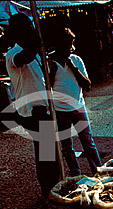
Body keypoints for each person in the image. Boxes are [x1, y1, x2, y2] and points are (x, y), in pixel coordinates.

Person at [5, 14, 60, 197]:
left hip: (43, 108)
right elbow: (24, 58)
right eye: (27, 27)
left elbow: (44, 79)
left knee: (49, 152)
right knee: (45, 154)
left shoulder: (35, 53)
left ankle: (53, 186)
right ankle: (48, 190)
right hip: (31, 111)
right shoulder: (13, 54)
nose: (30, 30)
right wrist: (38, 40)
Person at [49, 28, 101, 176]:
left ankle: (98, 172)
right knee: (67, 147)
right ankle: (76, 173)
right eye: (69, 45)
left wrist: (72, 66)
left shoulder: (76, 60)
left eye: (72, 45)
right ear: (60, 45)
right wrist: (52, 70)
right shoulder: (50, 63)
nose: (71, 48)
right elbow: (47, 86)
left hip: (78, 108)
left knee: (88, 144)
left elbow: (87, 85)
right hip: (60, 110)